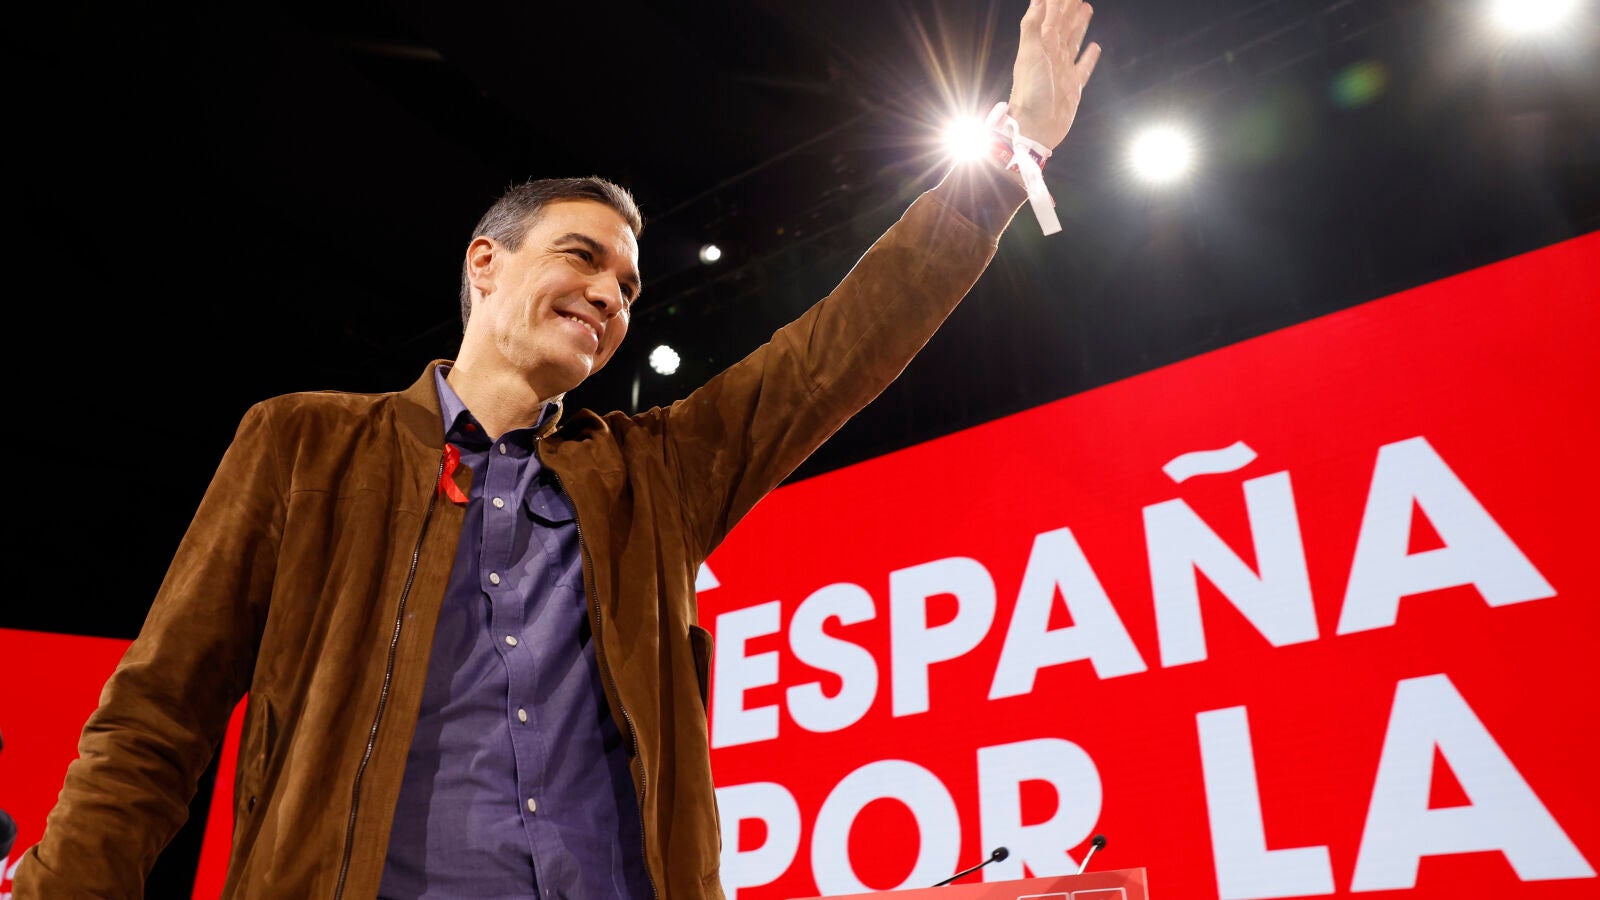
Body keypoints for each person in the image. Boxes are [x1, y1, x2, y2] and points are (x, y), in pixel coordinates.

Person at [15, 1, 1101, 896]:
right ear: (485, 263)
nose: (610, 295)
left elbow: (835, 352)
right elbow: (153, 726)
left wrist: (1008, 162)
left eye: (628, 284)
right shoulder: (305, 443)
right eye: (582, 257)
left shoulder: (653, 477)